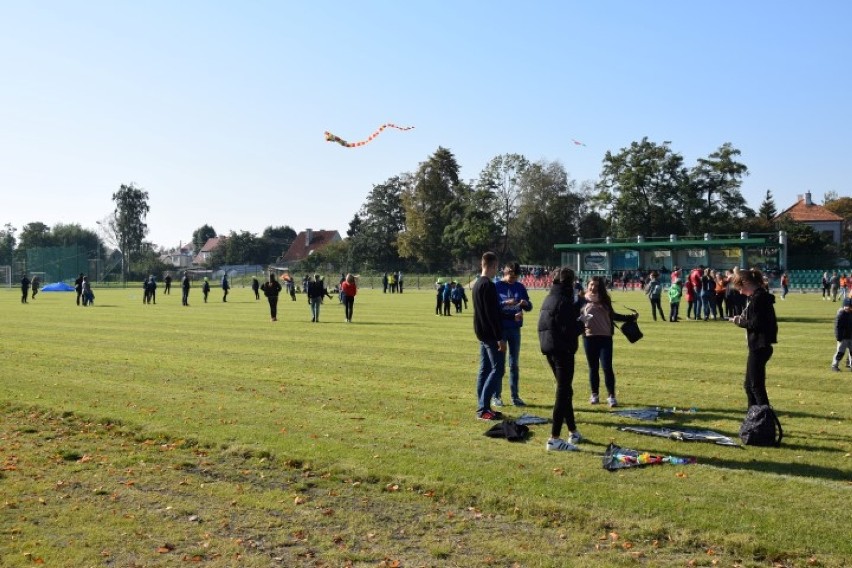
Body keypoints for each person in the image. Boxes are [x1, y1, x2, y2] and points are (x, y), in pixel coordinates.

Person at [538, 267, 585, 452]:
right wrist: (582, 322)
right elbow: (569, 329)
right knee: (563, 392)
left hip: (550, 347)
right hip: (561, 349)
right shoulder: (563, 300)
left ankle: (572, 430)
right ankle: (554, 438)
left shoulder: (550, 297)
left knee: (566, 391)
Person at [580, 276, 636, 408]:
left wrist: (630, 318)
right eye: (591, 285)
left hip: (605, 338)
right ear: (587, 285)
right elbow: (575, 317)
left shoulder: (605, 299)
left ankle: (611, 396)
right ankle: (594, 394)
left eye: (597, 285)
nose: (594, 287)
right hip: (589, 337)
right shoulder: (581, 300)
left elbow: (613, 316)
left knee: (607, 367)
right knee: (593, 368)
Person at [730, 268, 778, 408]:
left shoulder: (758, 299)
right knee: (749, 385)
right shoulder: (759, 298)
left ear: (746, 283)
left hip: (759, 345)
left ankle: (763, 416)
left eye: (740, 288)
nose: (740, 292)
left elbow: (755, 323)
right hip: (759, 345)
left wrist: (739, 321)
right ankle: (754, 416)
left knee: (755, 386)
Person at [493, 262, 533, 407]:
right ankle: (496, 396)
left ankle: (515, 396)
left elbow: (529, 306)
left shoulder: (520, 286)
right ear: (505, 271)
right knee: (500, 364)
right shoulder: (496, 286)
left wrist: (525, 304)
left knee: (514, 364)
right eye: (511, 275)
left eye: (515, 277)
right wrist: (505, 303)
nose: (512, 279)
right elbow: (493, 308)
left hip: (515, 330)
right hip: (501, 329)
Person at [472, 251, 506, 421]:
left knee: (485, 369)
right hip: (491, 335)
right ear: (492, 266)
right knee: (498, 369)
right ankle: (483, 408)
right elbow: (492, 314)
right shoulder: (489, 285)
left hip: (482, 332)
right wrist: (499, 337)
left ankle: (483, 406)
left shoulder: (477, 284)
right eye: (496, 267)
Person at [831, 297, 852, 371]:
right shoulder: (841, 314)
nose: (848, 308)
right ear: (843, 306)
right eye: (847, 306)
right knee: (840, 352)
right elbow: (837, 327)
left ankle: (850, 365)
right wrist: (838, 337)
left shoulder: (850, 313)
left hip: (850, 336)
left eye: (850, 306)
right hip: (843, 338)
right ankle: (834, 365)